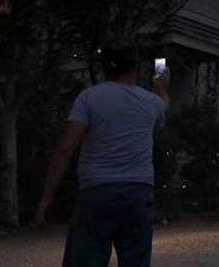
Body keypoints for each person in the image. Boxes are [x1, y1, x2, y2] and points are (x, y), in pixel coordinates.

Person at [35, 39, 170, 267]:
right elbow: (164, 103)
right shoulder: (150, 102)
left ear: (104, 66)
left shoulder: (90, 98)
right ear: (135, 67)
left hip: (97, 191)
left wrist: (47, 195)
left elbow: (66, 146)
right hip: (138, 192)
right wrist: (162, 86)